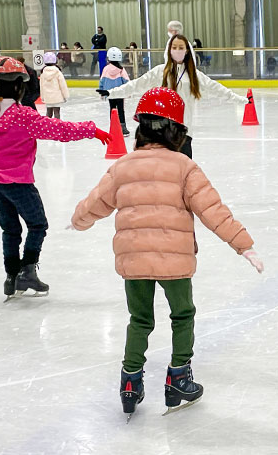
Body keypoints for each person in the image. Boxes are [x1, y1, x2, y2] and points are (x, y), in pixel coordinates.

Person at [70, 87, 264, 418]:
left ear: (142, 127)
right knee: (182, 315)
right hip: (175, 262)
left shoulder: (123, 166)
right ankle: (178, 378)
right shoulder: (185, 167)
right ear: (176, 132)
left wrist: (78, 221)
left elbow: (95, 203)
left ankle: (130, 381)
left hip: (133, 261)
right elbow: (213, 210)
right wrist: (243, 245)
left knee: (140, 319)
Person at [0, 56, 110, 300]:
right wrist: (92, 130)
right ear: (20, 87)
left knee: (10, 230)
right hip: (19, 184)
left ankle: (11, 277)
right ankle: (28, 271)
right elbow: (60, 130)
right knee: (37, 224)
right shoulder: (23, 116)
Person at [98, 34, 248, 159]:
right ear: (169, 50)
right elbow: (136, 85)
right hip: (162, 132)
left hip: (184, 132)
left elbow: (217, 89)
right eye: (174, 47)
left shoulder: (194, 75)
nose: (177, 50)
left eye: (181, 47)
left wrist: (241, 100)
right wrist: (111, 92)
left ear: (187, 51)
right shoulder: (160, 71)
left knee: (184, 172)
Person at [98, 47, 130, 136]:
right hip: (119, 93)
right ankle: (123, 128)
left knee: (112, 109)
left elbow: (102, 81)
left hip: (110, 93)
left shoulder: (106, 69)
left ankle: (113, 128)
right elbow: (126, 81)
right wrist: (129, 91)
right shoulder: (121, 69)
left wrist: (102, 91)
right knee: (121, 110)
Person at [39, 52, 69, 119]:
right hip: (57, 97)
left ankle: (47, 126)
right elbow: (62, 85)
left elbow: (42, 86)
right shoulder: (58, 72)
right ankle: (57, 126)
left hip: (47, 97)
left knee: (48, 113)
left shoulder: (43, 73)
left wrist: (43, 97)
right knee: (57, 113)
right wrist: (65, 96)